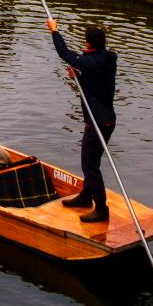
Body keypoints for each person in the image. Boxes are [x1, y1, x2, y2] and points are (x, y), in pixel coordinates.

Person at [48, 16, 117, 223]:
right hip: (106, 118)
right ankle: (86, 196)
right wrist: (80, 76)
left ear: (88, 43)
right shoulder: (107, 58)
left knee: (90, 165)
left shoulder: (90, 61)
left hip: (98, 122)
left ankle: (101, 209)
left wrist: (54, 31)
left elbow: (65, 53)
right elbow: (96, 81)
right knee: (91, 161)